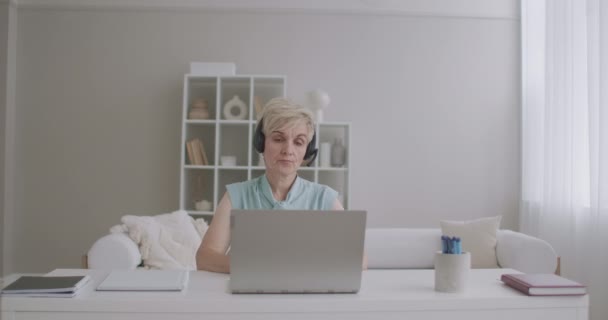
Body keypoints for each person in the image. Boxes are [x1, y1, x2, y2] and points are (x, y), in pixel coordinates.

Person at [196, 97, 366, 273]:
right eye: (278, 139)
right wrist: (259, 267)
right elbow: (204, 257)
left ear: (307, 150)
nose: (288, 150)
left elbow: (359, 259)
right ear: (261, 143)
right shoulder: (235, 196)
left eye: (298, 142)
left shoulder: (325, 198)